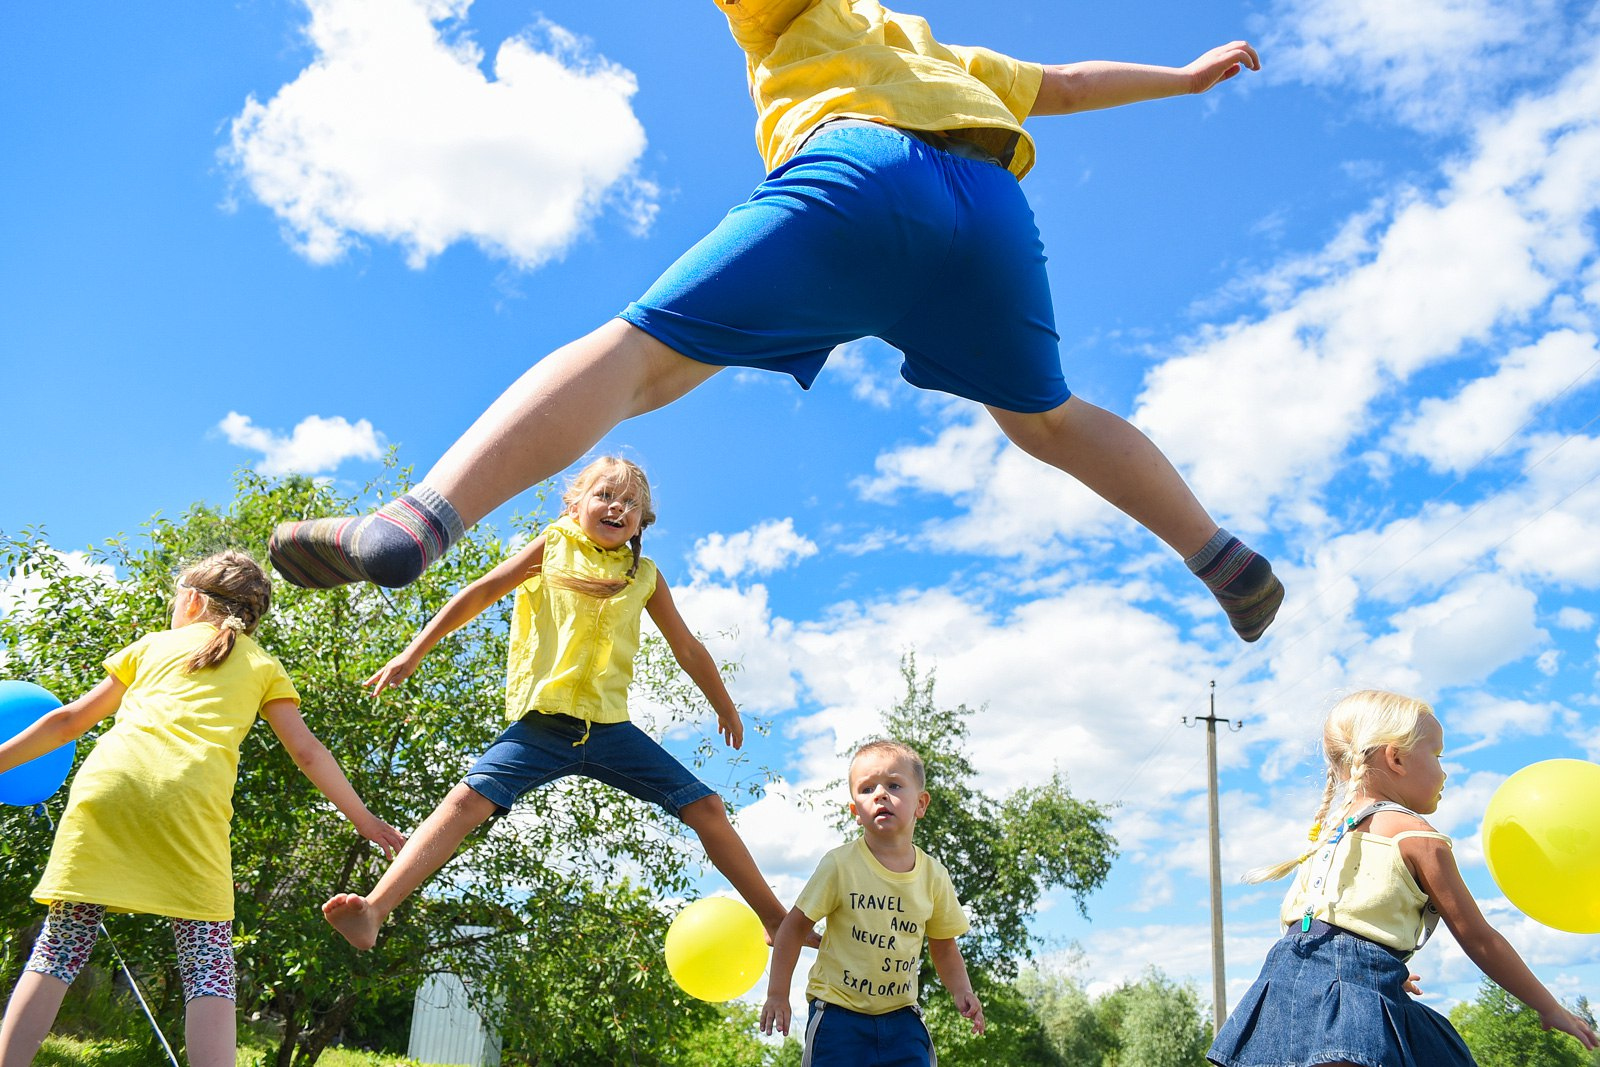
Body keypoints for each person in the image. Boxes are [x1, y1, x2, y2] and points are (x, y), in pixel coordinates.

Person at [268, 2, 1284, 644]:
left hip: (860, 174)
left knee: (641, 362)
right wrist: (1183, 79)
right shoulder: (947, 54)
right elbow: (1062, 86)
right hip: (992, 205)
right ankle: (1216, 555)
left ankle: (419, 516)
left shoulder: (802, 17)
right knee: (1047, 418)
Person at [321, 456, 794, 950]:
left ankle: (776, 920)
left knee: (707, 807)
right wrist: (414, 651)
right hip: (543, 728)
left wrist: (724, 704)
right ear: (575, 504)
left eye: (631, 503)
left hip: (610, 731)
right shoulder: (552, 547)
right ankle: (374, 909)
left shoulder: (645, 577)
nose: (618, 507)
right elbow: (481, 593)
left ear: (641, 522)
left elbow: (688, 647)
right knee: (465, 802)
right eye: (605, 496)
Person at [0, 551, 403, 1067]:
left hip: (110, 789)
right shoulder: (262, 664)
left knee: (60, 948)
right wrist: (362, 818)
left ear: (191, 600)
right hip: (190, 805)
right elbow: (307, 752)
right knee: (207, 961)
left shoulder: (150, 646)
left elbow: (68, 721)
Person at [1209, 689, 1599, 1067]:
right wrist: (1548, 1006)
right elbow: (1480, 938)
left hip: (1284, 989)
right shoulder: (1416, 836)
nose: (1444, 771)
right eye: (1437, 754)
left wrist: (1376, 966)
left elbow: (1315, 928)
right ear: (1396, 758)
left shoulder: (1330, 837)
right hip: (1340, 1003)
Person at [760, 739, 981, 1066]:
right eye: (866, 789)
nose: (879, 794)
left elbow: (944, 946)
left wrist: (962, 990)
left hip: (902, 1018)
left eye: (894, 785)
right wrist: (777, 993)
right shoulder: (840, 865)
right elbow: (793, 928)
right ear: (856, 813)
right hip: (838, 1016)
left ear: (921, 803)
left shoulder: (934, 875)